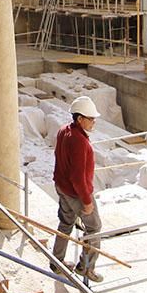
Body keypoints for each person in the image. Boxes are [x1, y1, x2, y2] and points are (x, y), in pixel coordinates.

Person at [51, 96, 104, 282]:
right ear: (79, 119)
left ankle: (56, 261)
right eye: (90, 118)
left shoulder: (64, 130)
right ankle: (86, 267)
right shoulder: (79, 141)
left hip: (62, 187)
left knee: (65, 223)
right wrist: (87, 201)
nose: (93, 122)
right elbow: (77, 177)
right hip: (76, 193)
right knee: (94, 228)